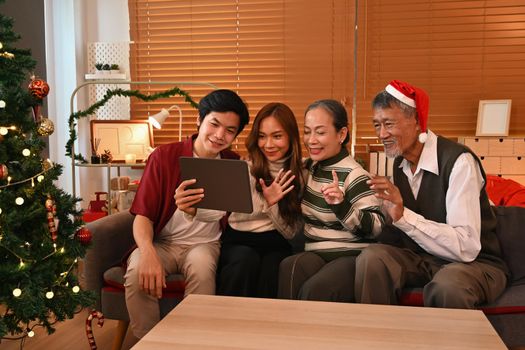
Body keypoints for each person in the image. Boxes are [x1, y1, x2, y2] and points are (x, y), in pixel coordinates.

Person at [355, 80, 508, 308]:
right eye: (377, 125)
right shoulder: (399, 165)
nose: (381, 134)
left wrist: (403, 216)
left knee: (448, 285)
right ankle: (379, 338)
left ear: (417, 121)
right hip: (423, 258)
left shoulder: (459, 162)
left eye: (388, 123)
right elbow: (396, 233)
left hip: (475, 263)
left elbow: (466, 247)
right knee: (372, 258)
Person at [124, 89, 249, 338]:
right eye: (214, 124)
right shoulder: (163, 157)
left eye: (230, 130)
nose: (219, 135)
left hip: (205, 244)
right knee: (138, 271)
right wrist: (147, 252)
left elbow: (235, 215)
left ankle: (194, 341)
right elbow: (143, 216)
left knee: (202, 272)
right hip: (163, 242)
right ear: (199, 120)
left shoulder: (233, 163)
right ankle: (147, 341)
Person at [278, 99, 384, 302]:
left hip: (350, 256)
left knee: (315, 289)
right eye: (307, 131)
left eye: (320, 132)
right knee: (289, 268)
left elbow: (376, 227)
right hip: (315, 251)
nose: (311, 140)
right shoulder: (309, 168)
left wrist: (341, 206)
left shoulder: (355, 174)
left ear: (341, 134)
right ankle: (288, 332)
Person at [216, 102, 305, 298]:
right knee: (244, 261)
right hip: (239, 239)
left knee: (273, 269)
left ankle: (265, 326)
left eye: (277, 136)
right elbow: (224, 214)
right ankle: (228, 324)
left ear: (291, 137)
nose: (268, 145)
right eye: (262, 136)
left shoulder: (300, 174)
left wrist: (272, 205)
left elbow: (292, 234)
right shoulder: (244, 169)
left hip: (277, 242)